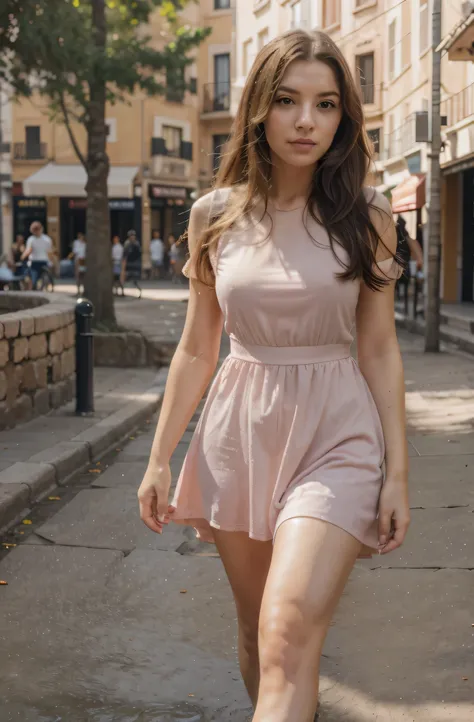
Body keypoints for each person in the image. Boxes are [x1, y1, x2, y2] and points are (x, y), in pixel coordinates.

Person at [138, 29, 410, 722]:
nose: (306, 121)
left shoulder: (368, 215)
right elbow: (200, 347)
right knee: (261, 631)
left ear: (343, 117)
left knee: (287, 624)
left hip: (338, 435)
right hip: (239, 435)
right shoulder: (213, 216)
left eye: (325, 105)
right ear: (260, 107)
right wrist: (160, 456)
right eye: (288, 101)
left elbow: (378, 348)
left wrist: (398, 473)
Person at [395, 215, 423, 316]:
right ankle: (407, 309)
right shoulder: (406, 238)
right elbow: (417, 253)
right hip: (404, 268)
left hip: (400, 268)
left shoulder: (399, 237)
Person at [21, 222, 54, 290]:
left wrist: (22, 257)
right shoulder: (47, 239)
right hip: (45, 261)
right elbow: (50, 252)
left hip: (34, 261)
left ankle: (33, 287)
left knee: (31, 276)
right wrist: (51, 261)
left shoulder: (31, 239)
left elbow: (28, 251)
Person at [121, 230, 142, 298]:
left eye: (133, 235)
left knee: (135, 280)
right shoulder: (127, 244)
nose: (132, 237)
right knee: (125, 278)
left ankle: (139, 291)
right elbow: (125, 255)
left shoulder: (137, 244)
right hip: (129, 264)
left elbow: (139, 254)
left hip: (135, 264)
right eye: (131, 235)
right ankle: (122, 291)